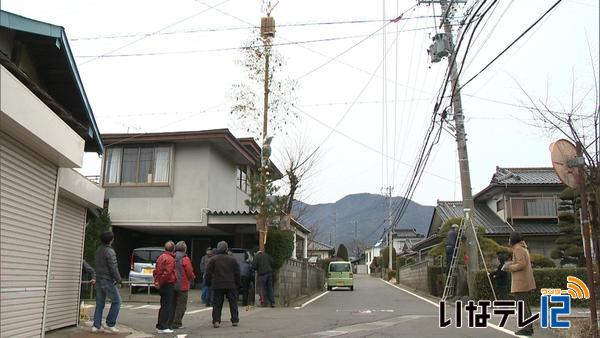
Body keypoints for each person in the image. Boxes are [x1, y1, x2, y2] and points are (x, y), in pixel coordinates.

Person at [503, 231, 536, 337]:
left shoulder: (518, 248)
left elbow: (522, 264)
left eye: (509, 238)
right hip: (524, 281)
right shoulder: (523, 248)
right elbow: (522, 263)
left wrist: (509, 267)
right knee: (525, 305)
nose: (508, 240)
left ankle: (526, 328)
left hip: (520, 282)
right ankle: (528, 327)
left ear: (513, 239)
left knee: (522, 306)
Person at [205, 241, 241, 328]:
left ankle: (216, 321)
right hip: (230, 284)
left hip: (217, 284)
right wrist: (238, 284)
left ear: (218, 248)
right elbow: (237, 273)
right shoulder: (232, 259)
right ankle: (235, 320)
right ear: (226, 249)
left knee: (217, 303)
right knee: (233, 302)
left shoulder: (213, 259)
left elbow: (208, 272)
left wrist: (208, 282)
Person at [93, 231, 122, 333]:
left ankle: (96, 325)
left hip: (98, 278)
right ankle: (110, 323)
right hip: (107, 279)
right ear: (111, 240)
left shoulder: (98, 250)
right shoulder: (110, 251)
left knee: (100, 303)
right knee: (117, 301)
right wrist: (119, 280)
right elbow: (113, 267)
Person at [168, 241, 195, 330]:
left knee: (172, 304)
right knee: (181, 305)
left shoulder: (172, 257)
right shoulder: (185, 259)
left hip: (172, 284)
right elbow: (189, 272)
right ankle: (177, 323)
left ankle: (170, 322)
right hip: (182, 285)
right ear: (184, 249)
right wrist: (192, 278)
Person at [153, 241, 176, 334]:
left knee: (163, 305)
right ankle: (163, 326)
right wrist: (161, 282)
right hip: (167, 284)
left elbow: (156, 271)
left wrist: (157, 281)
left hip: (162, 283)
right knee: (167, 306)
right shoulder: (170, 259)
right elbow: (167, 273)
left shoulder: (161, 257)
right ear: (173, 248)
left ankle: (160, 325)